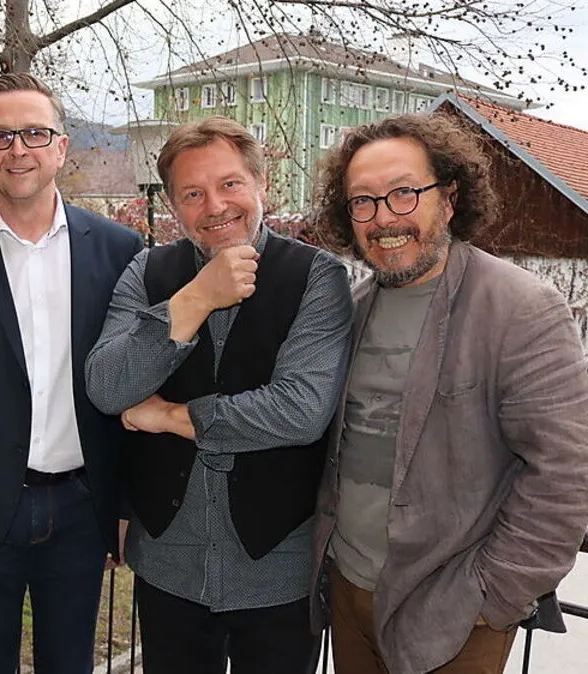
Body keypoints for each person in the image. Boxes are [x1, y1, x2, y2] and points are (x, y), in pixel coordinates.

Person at [309, 113, 588, 674]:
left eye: (404, 193)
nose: (383, 217)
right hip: (348, 592)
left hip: (452, 613)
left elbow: (565, 476)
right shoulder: (353, 308)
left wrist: (493, 596)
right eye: (363, 201)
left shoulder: (522, 309)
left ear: (451, 197)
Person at [83, 117, 352, 673]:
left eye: (230, 184)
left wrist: (168, 416)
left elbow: (300, 410)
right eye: (193, 194)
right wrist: (195, 300)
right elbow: (107, 387)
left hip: (278, 570)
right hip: (169, 569)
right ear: (174, 206)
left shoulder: (317, 277)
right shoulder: (147, 272)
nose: (215, 206)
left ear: (261, 183)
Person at [0, 73, 144, 673]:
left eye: (35, 133)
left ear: (61, 147)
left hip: (81, 509)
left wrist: (122, 507)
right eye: (0, 136)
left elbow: (133, 383)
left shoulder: (119, 251)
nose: (18, 149)